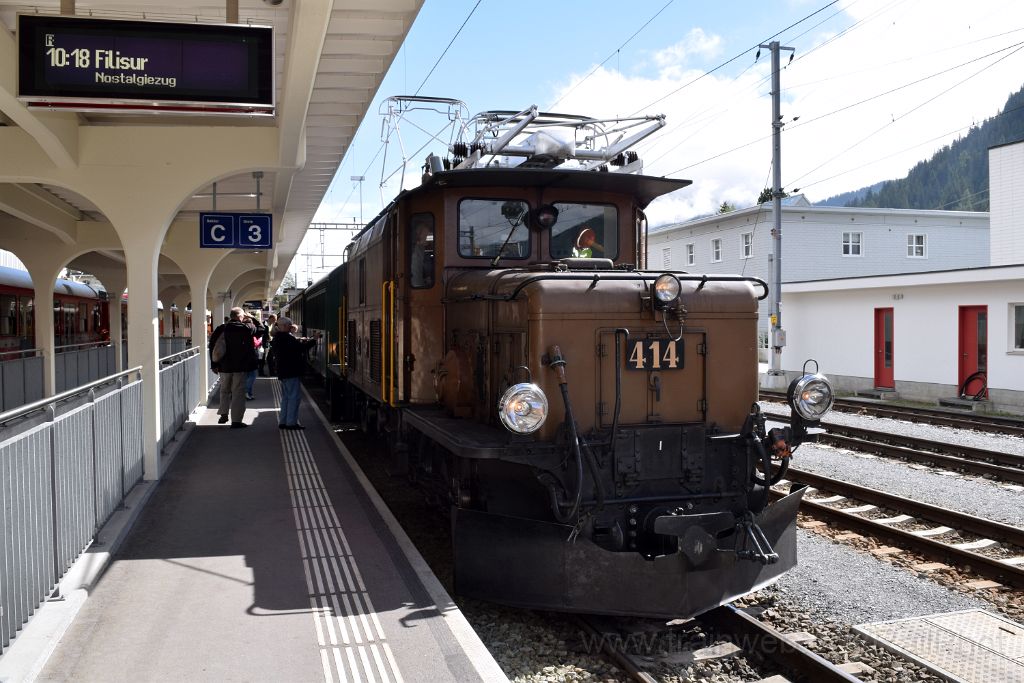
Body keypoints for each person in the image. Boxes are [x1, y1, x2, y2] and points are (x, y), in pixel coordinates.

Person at [208, 307, 260, 428]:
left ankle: (223, 414)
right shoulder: (246, 328)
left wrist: (214, 364)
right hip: (240, 367)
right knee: (238, 393)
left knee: (224, 390)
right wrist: (252, 318)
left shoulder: (222, 328)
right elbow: (261, 329)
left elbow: (212, 346)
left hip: (224, 366)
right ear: (240, 317)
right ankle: (236, 421)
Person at [271, 316, 318, 430]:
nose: (291, 327)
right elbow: (301, 348)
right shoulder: (287, 338)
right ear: (284, 326)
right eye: (289, 325)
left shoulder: (277, 338)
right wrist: (314, 339)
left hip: (283, 371)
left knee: (286, 397)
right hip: (291, 371)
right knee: (294, 397)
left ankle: (283, 421)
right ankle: (291, 423)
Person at [243, 314, 266, 400]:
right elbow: (262, 328)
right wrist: (253, 317)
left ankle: (249, 393)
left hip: (240, 356)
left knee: (245, 376)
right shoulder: (253, 329)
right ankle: (246, 391)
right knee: (252, 375)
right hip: (251, 355)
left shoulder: (238, 329)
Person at [410, 218, 433, 287]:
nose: (428, 235)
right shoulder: (415, 251)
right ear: (418, 235)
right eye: (426, 235)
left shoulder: (421, 248)